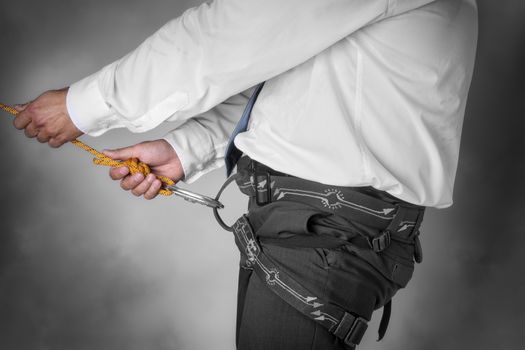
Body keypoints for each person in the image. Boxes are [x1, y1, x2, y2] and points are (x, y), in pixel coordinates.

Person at [12, 0, 478, 348]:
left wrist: (83, 105)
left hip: (325, 236)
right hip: (306, 231)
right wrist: (184, 148)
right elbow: (295, 75)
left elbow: (228, 35)